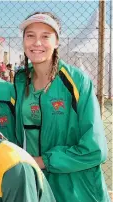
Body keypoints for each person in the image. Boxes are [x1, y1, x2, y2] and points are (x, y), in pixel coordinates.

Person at [15, 12, 110, 202]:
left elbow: (96, 149)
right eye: (30, 35)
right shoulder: (19, 80)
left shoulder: (76, 81)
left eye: (45, 36)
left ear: (57, 41)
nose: (37, 42)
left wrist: (43, 161)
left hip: (76, 190)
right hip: (37, 187)